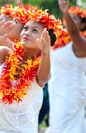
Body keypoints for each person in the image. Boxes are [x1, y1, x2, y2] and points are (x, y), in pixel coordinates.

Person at [0, 6, 61, 132]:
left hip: (20, 129)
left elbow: (44, 78)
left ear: (46, 38)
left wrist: (46, 53)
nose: (27, 32)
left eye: (34, 30)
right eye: (26, 28)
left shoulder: (40, 67)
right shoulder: (7, 54)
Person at [45, 0, 86, 133]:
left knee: (69, 127)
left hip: (72, 93)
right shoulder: (58, 43)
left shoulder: (81, 44)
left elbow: (74, 33)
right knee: (57, 125)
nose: (70, 21)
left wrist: (65, 12)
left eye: (75, 18)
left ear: (83, 24)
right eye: (69, 18)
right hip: (56, 90)